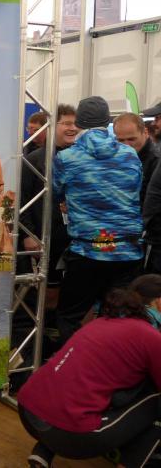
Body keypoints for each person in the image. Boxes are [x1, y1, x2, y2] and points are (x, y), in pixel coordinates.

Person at [18, 287, 161, 468]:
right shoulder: (150, 336)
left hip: (28, 412)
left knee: (81, 386)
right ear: (155, 303)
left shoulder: (99, 323)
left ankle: (43, 452)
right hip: (70, 435)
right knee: (155, 401)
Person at [53, 96, 143, 344]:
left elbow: (57, 194)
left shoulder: (66, 158)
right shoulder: (130, 155)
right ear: (108, 122)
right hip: (127, 251)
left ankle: (79, 363)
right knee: (121, 320)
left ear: (79, 123)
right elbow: (134, 190)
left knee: (69, 316)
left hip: (88, 251)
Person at [11, 105, 78, 391]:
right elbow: (21, 201)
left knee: (62, 300)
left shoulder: (79, 158)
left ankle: (53, 357)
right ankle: (29, 362)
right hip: (39, 242)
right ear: (52, 127)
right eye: (66, 123)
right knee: (35, 301)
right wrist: (28, 235)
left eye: (75, 124)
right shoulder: (34, 161)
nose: (72, 128)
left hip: (71, 244)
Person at [113, 112, 159, 205]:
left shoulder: (157, 161)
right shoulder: (115, 158)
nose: (126, 145)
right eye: (121, 140)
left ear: (145, 133)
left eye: (131, 139)